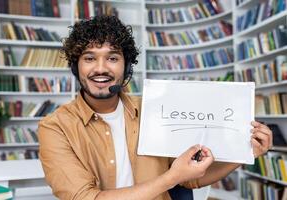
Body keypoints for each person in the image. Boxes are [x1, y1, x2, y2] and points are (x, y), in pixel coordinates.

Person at [38, 15, 273, 200]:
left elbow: (189, 179)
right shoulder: (54, 127)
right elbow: (85, 198)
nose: (101, 68)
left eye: (112, 58)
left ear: (127, 66)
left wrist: (245, 153)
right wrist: (171, 178)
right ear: (75, 67)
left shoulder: (155, 110)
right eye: (89, 58)